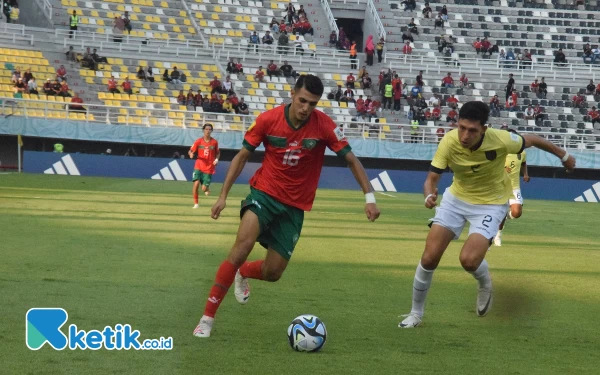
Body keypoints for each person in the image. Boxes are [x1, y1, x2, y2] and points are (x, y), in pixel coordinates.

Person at [192, 75, 381, 338]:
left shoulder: (324, 126)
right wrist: (223, 195)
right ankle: (206, 319)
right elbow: (242, 156)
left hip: (294, 207)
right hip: (264, 194)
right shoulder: (269, 120)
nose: (306, 108)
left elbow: (351, 159)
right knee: (242, 246)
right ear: (292, 94)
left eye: (312, 104)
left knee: (273, 273)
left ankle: (244, 273)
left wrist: (369, 198)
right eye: (302, 100)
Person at [398, 101, 576, 329]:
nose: (464, 135)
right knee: (429, 257)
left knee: (469, 261)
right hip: (456, 199)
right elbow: (432, 178)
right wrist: (428, 196)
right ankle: (415, 314)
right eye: (461, 127)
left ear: (484, 128)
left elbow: (532, 139)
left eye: (472, 130)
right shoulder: (449, 141)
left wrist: (564, 155)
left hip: (491, 204)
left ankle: (485, 282)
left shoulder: (501, 139)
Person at [494, 141, 529, 246]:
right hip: (501, 187)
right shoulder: (500, 152)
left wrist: (525, 174)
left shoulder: (522, 153)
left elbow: (523, 163)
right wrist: (502, 168)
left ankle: (504, 216)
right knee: (501, 212)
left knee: (517, 213)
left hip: (515, 187)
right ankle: (498, 235)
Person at [189, 124, 220, 208]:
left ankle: (206, 188)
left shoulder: (214, 142)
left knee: (203, 189)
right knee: (196, 184)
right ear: (203, 130)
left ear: (211, 131)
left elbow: (218, 153)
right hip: (199, 165)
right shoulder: (198, 141)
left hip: (209, 167)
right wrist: (191, 154)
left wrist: (216, 160)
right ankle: (196, 203)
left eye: (210, 129)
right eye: (206, 129)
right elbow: (191, 150)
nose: (208, 131)